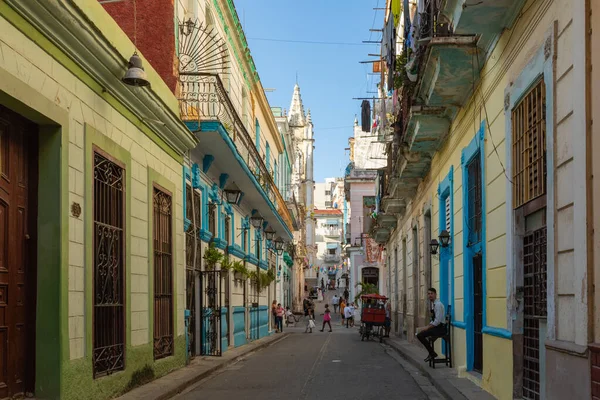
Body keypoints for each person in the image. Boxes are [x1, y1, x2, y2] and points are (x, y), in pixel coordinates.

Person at [416, 288, 446, 362]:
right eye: (428, 294)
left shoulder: (438, 305)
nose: (430, 295)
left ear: (435, 294)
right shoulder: (434, 304)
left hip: (440, 329)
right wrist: (428, 326)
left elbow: (437, 321)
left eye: (431, 293)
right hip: (437, 327)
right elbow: (434, 320)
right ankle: (431, 353)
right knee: (420, 333)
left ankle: (432, 353)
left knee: (420, 335)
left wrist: (427, 327)